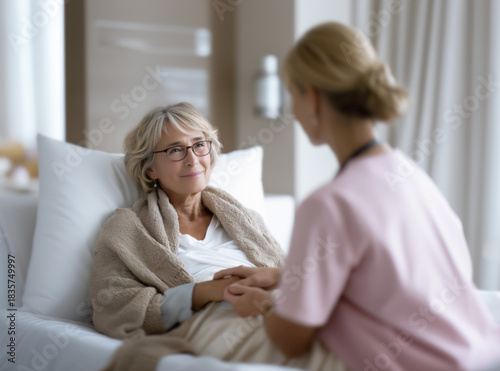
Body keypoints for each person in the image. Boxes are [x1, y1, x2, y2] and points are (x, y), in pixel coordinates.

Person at [215, 22, 500, 370]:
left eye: (293, 94)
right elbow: (387, 277)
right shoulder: (412, 176)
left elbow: (290, 339)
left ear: (313, 97)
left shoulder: (328, 205)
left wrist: (259, 305)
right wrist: (283, 275)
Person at [89, 102, 343, 371]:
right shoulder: (129, 228)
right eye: (175, 150)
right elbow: (113, 305)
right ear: (150, 169)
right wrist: (207, 291)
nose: (192, 159)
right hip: (218, 321)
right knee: (332, 353)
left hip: (279, 304)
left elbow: (289, 272)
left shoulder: (245, 219)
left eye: (199, 145)